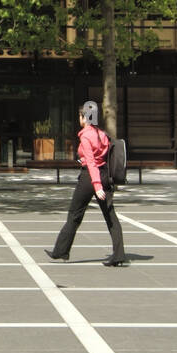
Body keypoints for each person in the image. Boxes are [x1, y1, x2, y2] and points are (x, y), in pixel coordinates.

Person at [44, 101, 128, 266]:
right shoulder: (101, 133)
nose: (79, 119)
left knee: (75, 214)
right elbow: (101, 157)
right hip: (105, 176)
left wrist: (96, 186)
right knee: (110, 216)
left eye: (80, 116)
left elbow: (91, 162)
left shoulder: (86, 135)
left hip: (90, 178)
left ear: (84, 117)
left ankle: (60, 251)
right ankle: (119, 254)